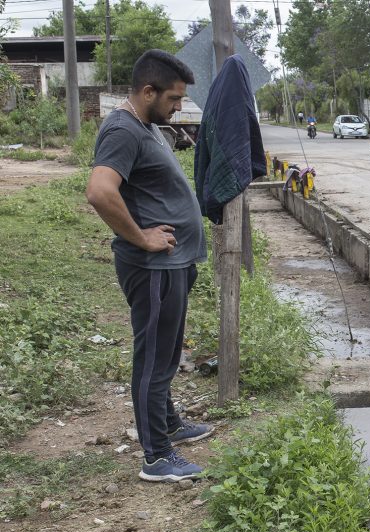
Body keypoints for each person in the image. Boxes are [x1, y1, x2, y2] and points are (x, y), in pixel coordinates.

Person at [86, 50, 213, 483]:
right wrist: (141, 237)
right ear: (147, 91)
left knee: (167, 353)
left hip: (173, 264)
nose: (179, 107)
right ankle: (156, 456)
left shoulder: (147, 125)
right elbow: (101, 192)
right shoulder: (122, 130)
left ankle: (169, 424)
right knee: (154, 358)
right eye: (174, 99)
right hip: (153, 266)